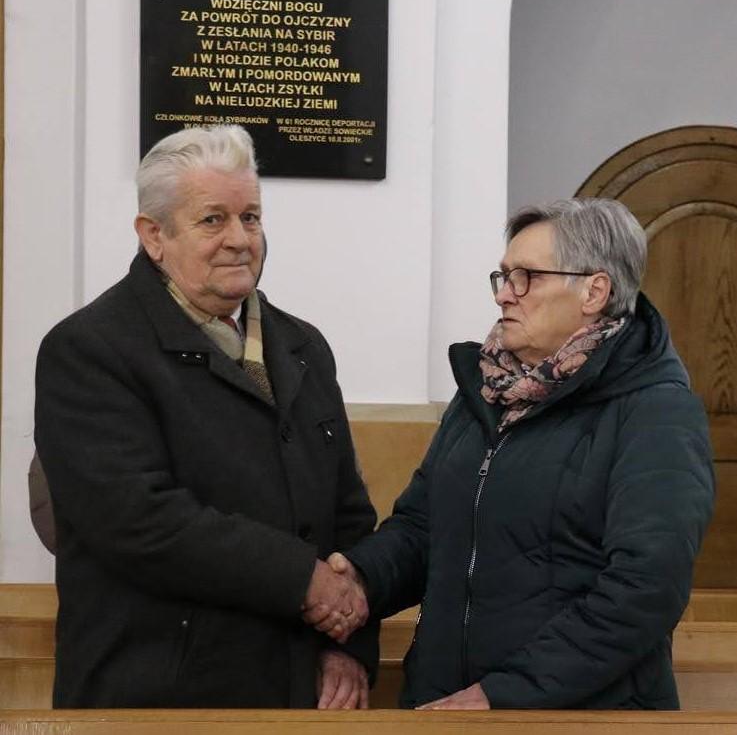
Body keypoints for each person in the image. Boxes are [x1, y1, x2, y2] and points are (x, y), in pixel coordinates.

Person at [34, 125, 377, 709]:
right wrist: (304, 580)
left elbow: (347, 515)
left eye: (251, 217)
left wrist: (347, 647)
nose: (239, 239)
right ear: (154, 235)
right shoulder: (89, 350)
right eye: (213, 219)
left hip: (300, 694)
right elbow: (139, 522)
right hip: (156, 699)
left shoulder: (304, 347)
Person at [333, 198, 715, 710]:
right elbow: (424, 528)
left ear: (594, 291)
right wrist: (359, 579)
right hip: (446, 706)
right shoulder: (485, 393)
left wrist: (502, 694)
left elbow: (645, 588)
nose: (504, 295)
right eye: (503, 276)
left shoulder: (655, 409)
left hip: (578, 716)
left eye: (526, 277)